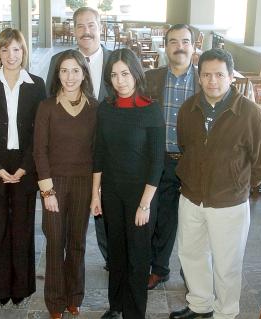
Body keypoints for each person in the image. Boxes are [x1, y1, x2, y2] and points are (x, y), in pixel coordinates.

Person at [170, 49, 261, 319]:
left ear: (230, 77)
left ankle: (225, 313)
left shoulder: (252, 115)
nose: (212, 81)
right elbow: (185, 146)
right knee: (191, 254)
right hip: (192, 197)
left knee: (227, 264)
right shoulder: (188, 109)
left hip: (229, 203)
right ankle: (200, 305)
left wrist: (239, 184)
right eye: (206, 74)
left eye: (219, 75)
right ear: (199, 76)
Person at [0, 28, 46, 306]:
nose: (11, 55)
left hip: (26, 164)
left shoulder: (36, 85)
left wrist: (26, 166)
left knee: (22, 229)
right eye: (4, 49)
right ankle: (2, 289)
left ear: (23, 51)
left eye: (16, 49)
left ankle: (22, 288)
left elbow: (41, 130)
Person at [91, 48, 165, 319]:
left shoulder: (151, 109)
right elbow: (99, 153)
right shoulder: (106, 109)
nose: (120, 80)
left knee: (137, 255)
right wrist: (95, 194)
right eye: (114, 75)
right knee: (116, 252)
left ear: (135, 73)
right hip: (111, 191)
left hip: (141, 195)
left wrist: (145, 205)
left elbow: (157, 163)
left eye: (125, 73)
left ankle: (134, 312)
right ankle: (116, 305)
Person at [46, 5, 111, 270]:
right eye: (80, 26)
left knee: (107, 216)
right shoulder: (57, 62)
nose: (86, 31)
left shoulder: (115, 60)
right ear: (73, 30)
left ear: (100, 28)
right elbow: (50, 101)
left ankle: (112, 261)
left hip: (110, 154)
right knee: (71, 230)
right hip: (73, 162)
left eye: (91, 25)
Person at [34, 50, 97, 319]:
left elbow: (98, 153)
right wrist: (47, 191)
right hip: (54, 184)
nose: (69, 76)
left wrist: (96, 192)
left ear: (84, 73)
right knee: (55, 242)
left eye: (75, 70)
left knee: (77, 242)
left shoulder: (95, 107)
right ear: (56, 74)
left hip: (83, 182)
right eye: (63, 70)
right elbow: (39, 151)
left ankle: (74, 297)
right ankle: (55, 301)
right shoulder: (47, 106)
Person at [144, 24, 200, 289]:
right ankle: (159, 268)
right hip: (159, 159)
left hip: (193, 162)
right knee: (159, 218)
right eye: (174, 41)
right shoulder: (151, 78)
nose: (180, 46)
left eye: (185, 41)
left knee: (194, 224)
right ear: (165, 46)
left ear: (193, 46)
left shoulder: (205, 80)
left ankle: (193, 274)